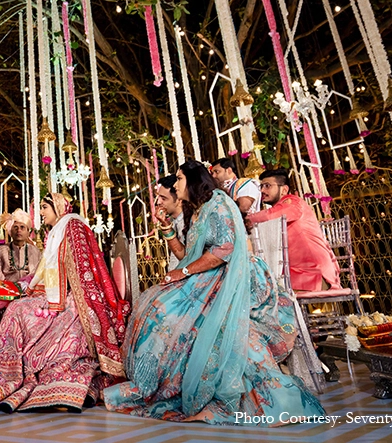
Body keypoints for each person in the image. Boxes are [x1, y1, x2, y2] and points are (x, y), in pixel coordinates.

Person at [104, 160, 324, 425]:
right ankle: (158, 381)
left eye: (179, 179)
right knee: (152, 305)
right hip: (207, 275)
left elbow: (225, 249)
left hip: (233, 276)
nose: (175, 184)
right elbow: (187, 256)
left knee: (168, 314)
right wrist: (167, 230)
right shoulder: (198, 211)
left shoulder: (218, 203)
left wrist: (184, 274)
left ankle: (215, 393)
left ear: (195, 181)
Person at [0, 192, 128, 413]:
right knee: (16, 307)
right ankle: (6, 369)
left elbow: (82, 270)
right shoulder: (57, 231)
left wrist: (56, 299)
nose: (40, 212)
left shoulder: (73, 226)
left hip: (77, 299)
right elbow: (48, 272)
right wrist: (32, 290)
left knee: (17, 309)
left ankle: (17, 371)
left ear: (59, 207)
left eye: (44, 207)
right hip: (58, 294)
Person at [245, 168, 342, 292]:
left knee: (259, 289)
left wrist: (242, 219)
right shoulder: (281, 208)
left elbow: (269, 215)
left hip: (314, 275)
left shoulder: (293, 202)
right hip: (297, 274)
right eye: (261, 186)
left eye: (267, 186)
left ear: (284, 189)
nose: (263, 190)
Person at [0, 209, 40, 282]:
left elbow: (38, 274)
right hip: (7, 290)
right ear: (10, 231)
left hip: (29, 290)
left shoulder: (35, 251)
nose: (19, 230)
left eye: (22, 227)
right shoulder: (1, 250)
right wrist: (9, 288)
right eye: (15, 227)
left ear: (28, 232)